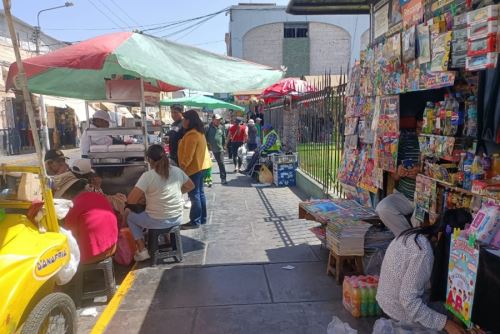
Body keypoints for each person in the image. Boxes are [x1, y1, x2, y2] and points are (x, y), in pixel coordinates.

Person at [376, 209, 467, 334]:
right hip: (397, 310)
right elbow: (409, 302)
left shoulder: (416, 235)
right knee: (455, 320)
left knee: (452, 311)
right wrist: (446, 323)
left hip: (387, 301)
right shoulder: (423, 252)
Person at [126, 145, 195, 261]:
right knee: (159, 213)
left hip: (158, 221)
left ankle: (142, 250)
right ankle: (168, 238)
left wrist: (147, 198)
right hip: (177, 218)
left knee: (130, 216)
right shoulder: (177, 171)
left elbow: (131, 200)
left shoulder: (148, 176)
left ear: (149, 160)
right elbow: (190, 186)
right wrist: (178, 191)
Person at [375, 117, 423, 236]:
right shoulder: (406, 143)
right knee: (383, 208)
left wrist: (421, 174)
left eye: (424, 129)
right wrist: (399, 173)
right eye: (418, 129)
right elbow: (394, 176)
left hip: (425, 200)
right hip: (404, 196)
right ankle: (409, 239)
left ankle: (412, 242)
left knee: (418, 221)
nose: (421, 132)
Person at [178, 110, 212, 229]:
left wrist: (181, 168)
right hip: (201, 166)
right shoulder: (199, 132)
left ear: (189, 121)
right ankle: (202, 218)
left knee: (194, 195)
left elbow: (188, 155)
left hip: (194, 168)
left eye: (184, 119)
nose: (183, 121)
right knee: (200, 193)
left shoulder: (192, 135)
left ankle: (195, 220)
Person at [64, 191, 119, 264]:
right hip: (112, 247)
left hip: (90, 257)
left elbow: (70, 236)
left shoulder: (73, 205)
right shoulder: (98, 196)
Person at [205, 114, 227, 184]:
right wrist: (207, 147)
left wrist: (224, 146)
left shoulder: (221, 127)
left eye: (219, 120)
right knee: (207, 165)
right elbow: (203, 138)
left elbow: (223, 138)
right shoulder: (207, 127)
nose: (218, 121)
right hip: (209, 149)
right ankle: (208, 180)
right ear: (213, 119)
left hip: (219, 149)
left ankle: (223, 179)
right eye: (217, 119)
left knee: (221, 164)